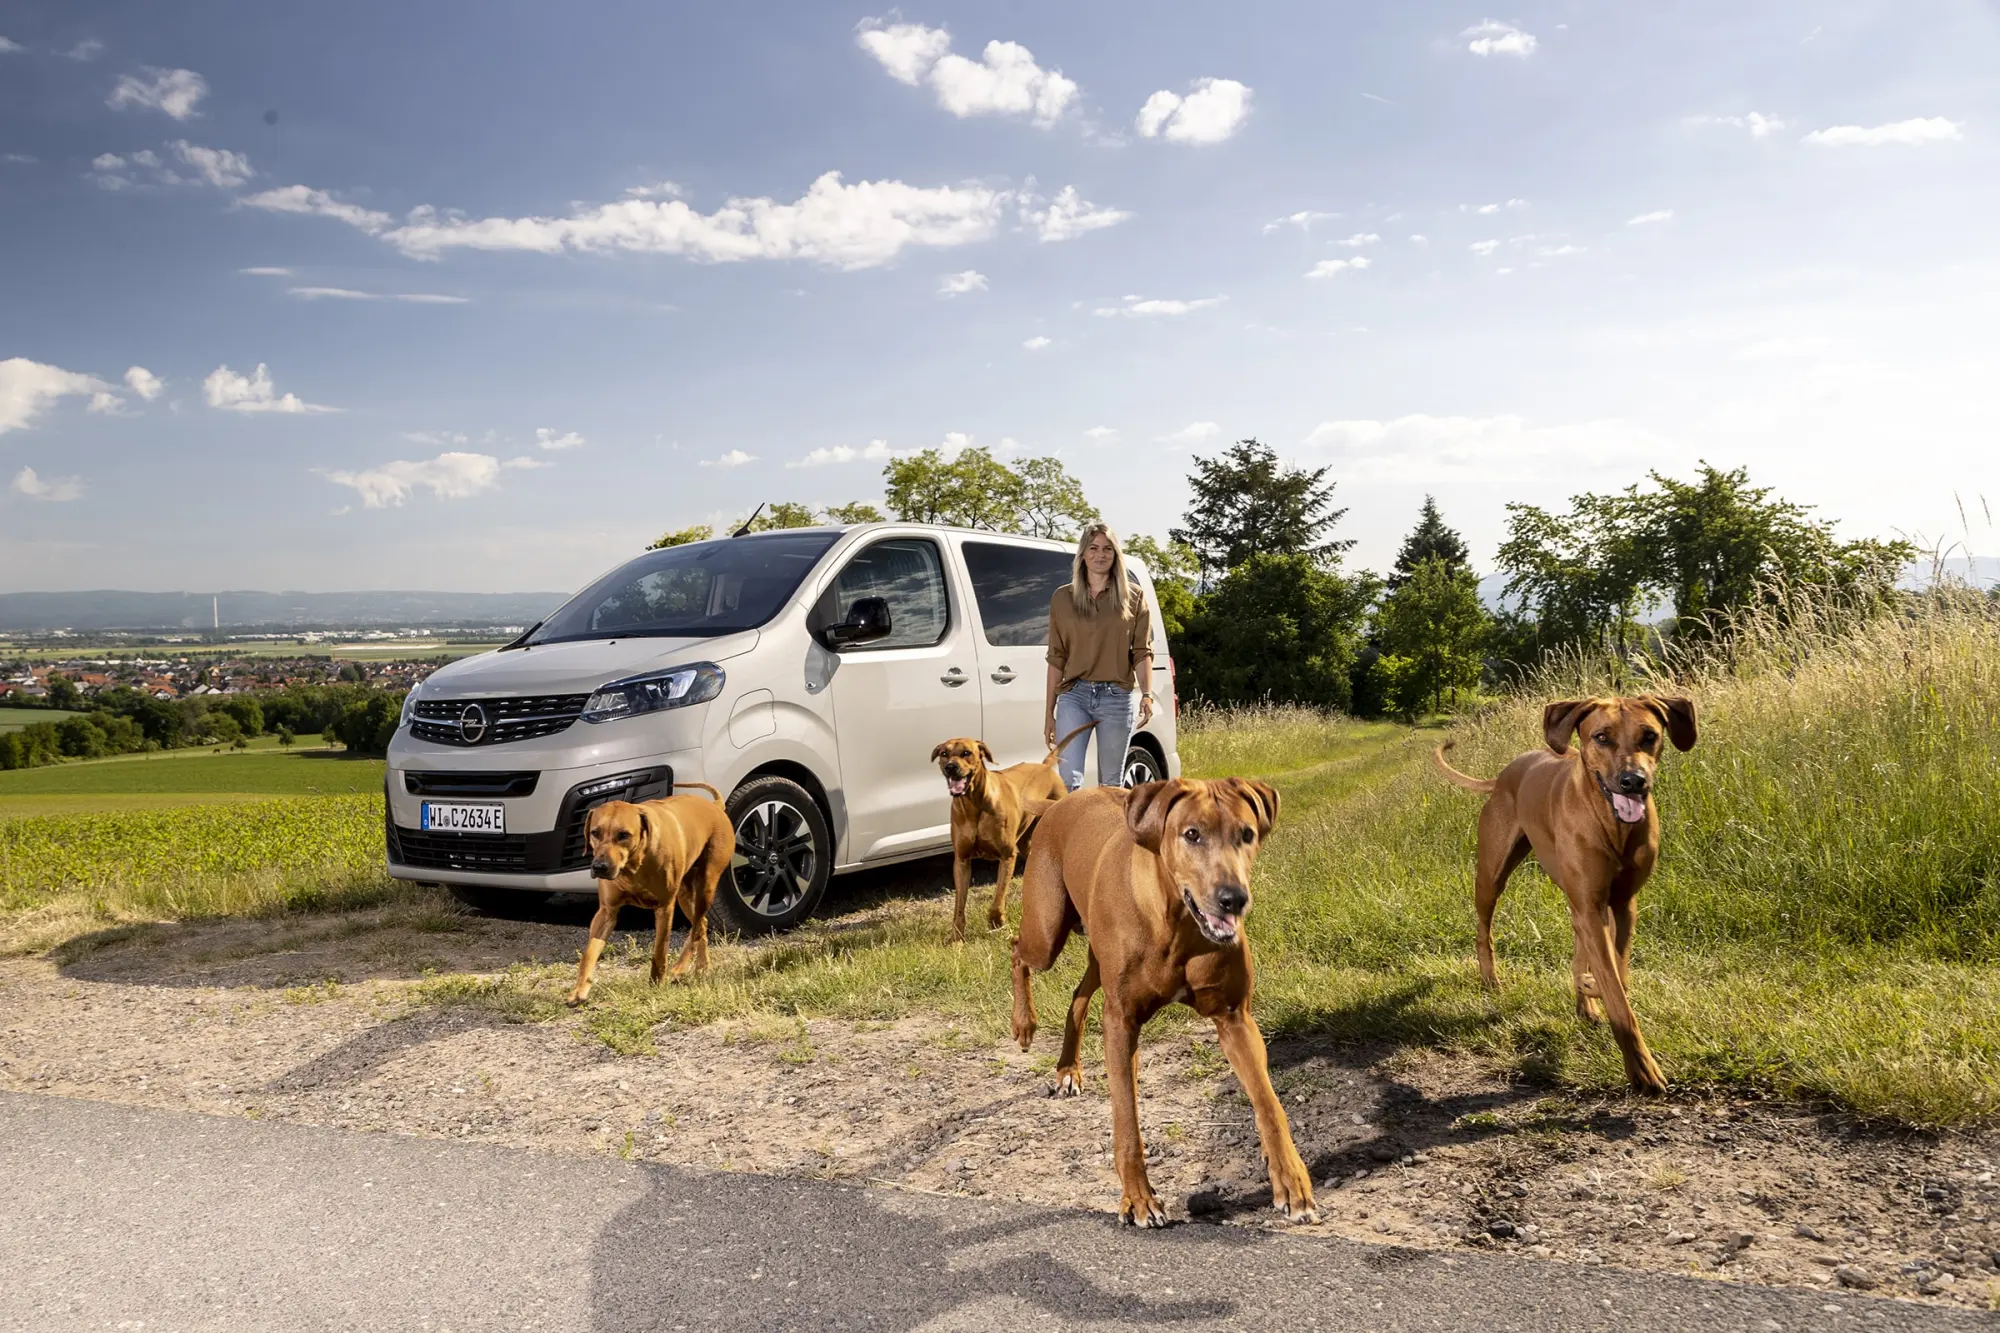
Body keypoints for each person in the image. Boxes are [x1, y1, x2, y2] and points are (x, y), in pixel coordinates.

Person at [1044, 522, 1155, 791]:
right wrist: (1049, 712)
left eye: (1107, 549)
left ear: (1116, 556)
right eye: (1093, 548)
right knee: (1067, 780)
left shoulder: (1134, 597)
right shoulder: (1062, 598)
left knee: (1111, 784)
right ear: (1083, 554)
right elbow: (1056, 656)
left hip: (1116, 698)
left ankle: (1108, 834)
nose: (1100, 554)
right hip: (1074, 696)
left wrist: (1148, 695)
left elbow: (1141, 652)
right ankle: (1074, 834)